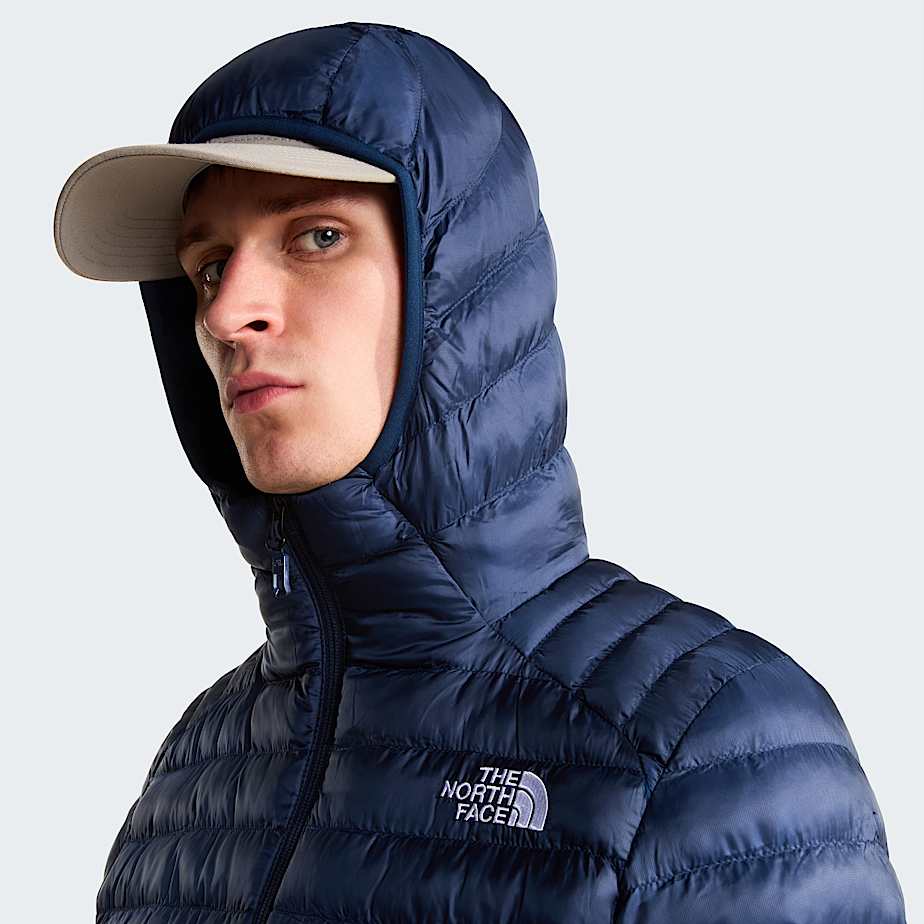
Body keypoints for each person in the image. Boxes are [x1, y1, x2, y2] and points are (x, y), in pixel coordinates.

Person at [53, 20, 907, 924]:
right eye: (208, 265)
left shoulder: (706, 747)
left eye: (318, 236)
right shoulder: (194, 780)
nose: (228, 313)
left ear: (455, 280)